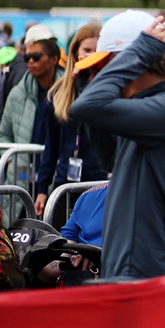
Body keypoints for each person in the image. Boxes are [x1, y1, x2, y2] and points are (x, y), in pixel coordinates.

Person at [70, 12, 165, 279]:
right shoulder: (146, 108)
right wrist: (89, 82)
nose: (101, 75)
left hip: (147, 271)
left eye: (103, 67)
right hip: (127, 266)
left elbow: (87, 107)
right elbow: (107, 159)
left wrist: (141, 50)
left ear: (131, 63)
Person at [35, 24, 109, 220]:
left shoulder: (112, 93)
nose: (90, 55)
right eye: (86, 50)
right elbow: (51, 147)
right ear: (75, 52)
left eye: (97, 51)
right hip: (65, 183)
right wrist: (42, 188)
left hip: (99, 184)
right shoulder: (59, 93)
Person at [0, 26, 63, 145]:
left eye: (37, 56)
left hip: (57, 163)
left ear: (54, 59)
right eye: (28, 57)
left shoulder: (69, 91)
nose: (31, 61)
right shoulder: (18, 92)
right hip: (23, 163)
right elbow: (3, 134)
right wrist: (12, 160)